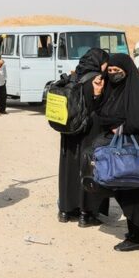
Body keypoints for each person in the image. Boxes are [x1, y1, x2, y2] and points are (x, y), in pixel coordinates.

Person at [91, 53, 139, 252]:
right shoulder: (112, 90)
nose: (113, 74)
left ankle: (137, 237)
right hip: (122, 154)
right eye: (110, 71)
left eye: (117, 71)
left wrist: (124, 127)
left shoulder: (138, 93)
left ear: (127, 71)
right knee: (125, 189)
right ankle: (134, 233)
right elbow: (101, 115)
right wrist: (97, 94)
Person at [57, 48, 109, 227]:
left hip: (69, 130)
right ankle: (86, 213)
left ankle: (65, 210)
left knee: (68, 168)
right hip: (89, 130)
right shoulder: (97, 78)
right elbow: (97, 103)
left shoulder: (74, 76)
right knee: (88, 168)